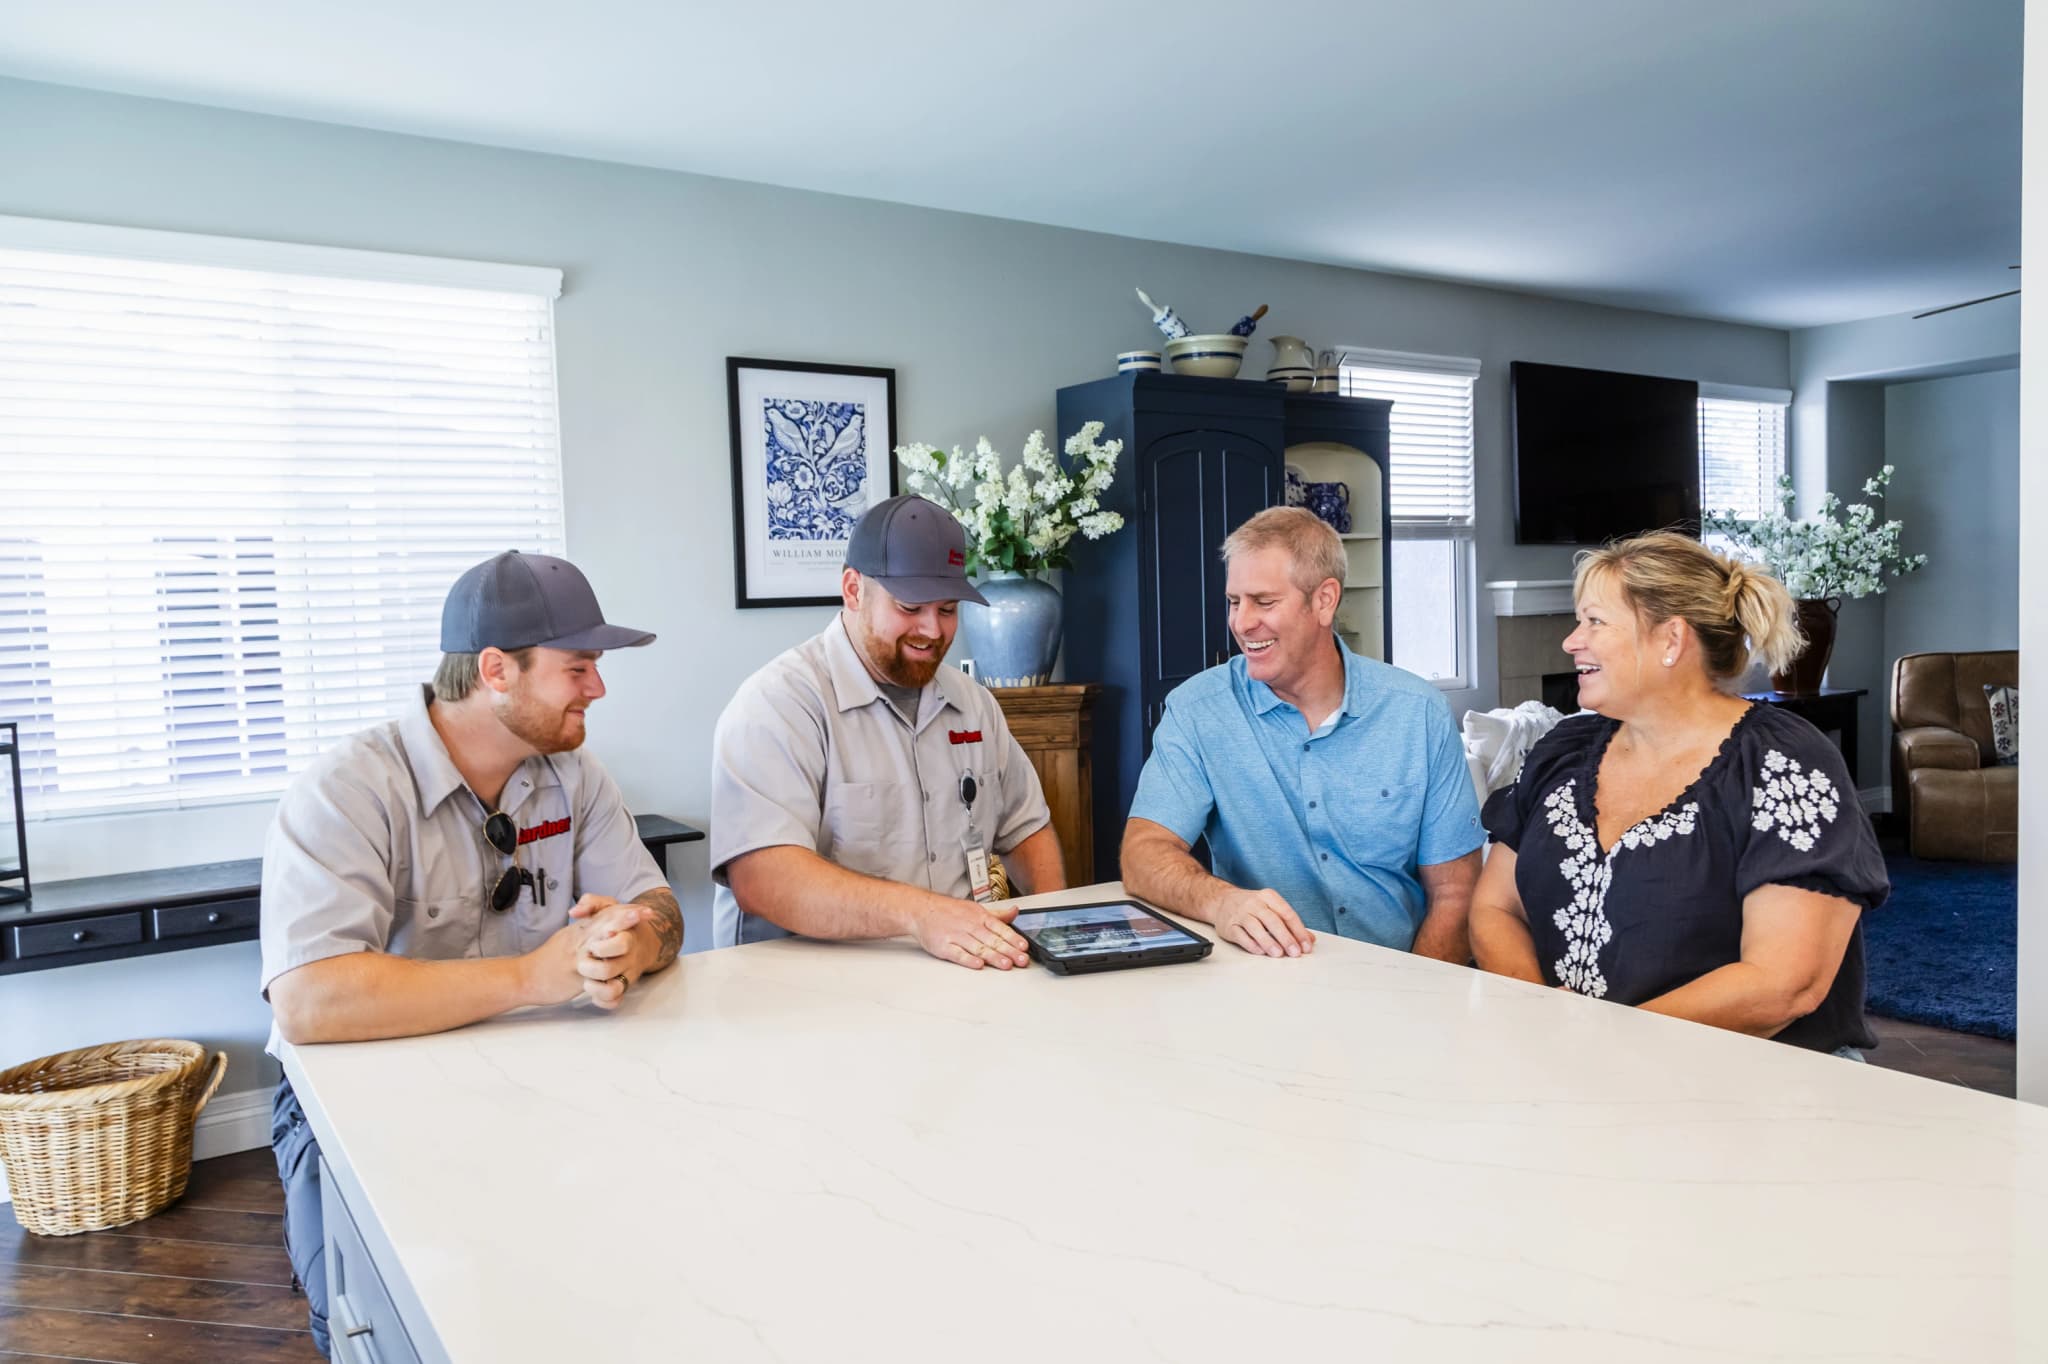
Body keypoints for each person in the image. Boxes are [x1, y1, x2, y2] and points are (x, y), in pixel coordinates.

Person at [260, 550, 683, 1355]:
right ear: (496, 670)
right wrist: (535, 976)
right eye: (580, 667)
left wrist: (632, 945)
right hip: (355, 1107)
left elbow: (659, 905)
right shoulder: (346, 792)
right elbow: (309, 1002)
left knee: (619, 1270)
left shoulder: (577, 776)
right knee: (373, 1317)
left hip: (538, 1073)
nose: (599, 688)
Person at [1468, 532, 1889, 1055]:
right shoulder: (1565, 749)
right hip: (1571, 1065)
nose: (1571, 641)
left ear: (1671, 640)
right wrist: (1545, 1018)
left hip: (1750, 1088)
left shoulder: (1783, 762)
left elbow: (1785, 983)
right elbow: (1495, 908)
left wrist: (1603, 1040)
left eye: (1595, 622)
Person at [711, 494, 1065, 966]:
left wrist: (1058, 929)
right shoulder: (779, 704)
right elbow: (763, 878)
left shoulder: (973, 703)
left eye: (947, 609)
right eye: (911, 606)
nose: (933, 631)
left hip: (953, 974)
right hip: (803, 994)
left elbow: (1026, 829)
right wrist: (921, 915)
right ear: (854, 590)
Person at [1122, 506, 1485, 960]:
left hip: (1400, 982)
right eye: (1234, 602)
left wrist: (1414, 1003)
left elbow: (1456, 893)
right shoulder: (1198, 711)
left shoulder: (1419, 713)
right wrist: (1221, 901)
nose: (1241, 622)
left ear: (1324, 601)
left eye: (1264, 602)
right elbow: (1142, 854)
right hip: (1265, 987)